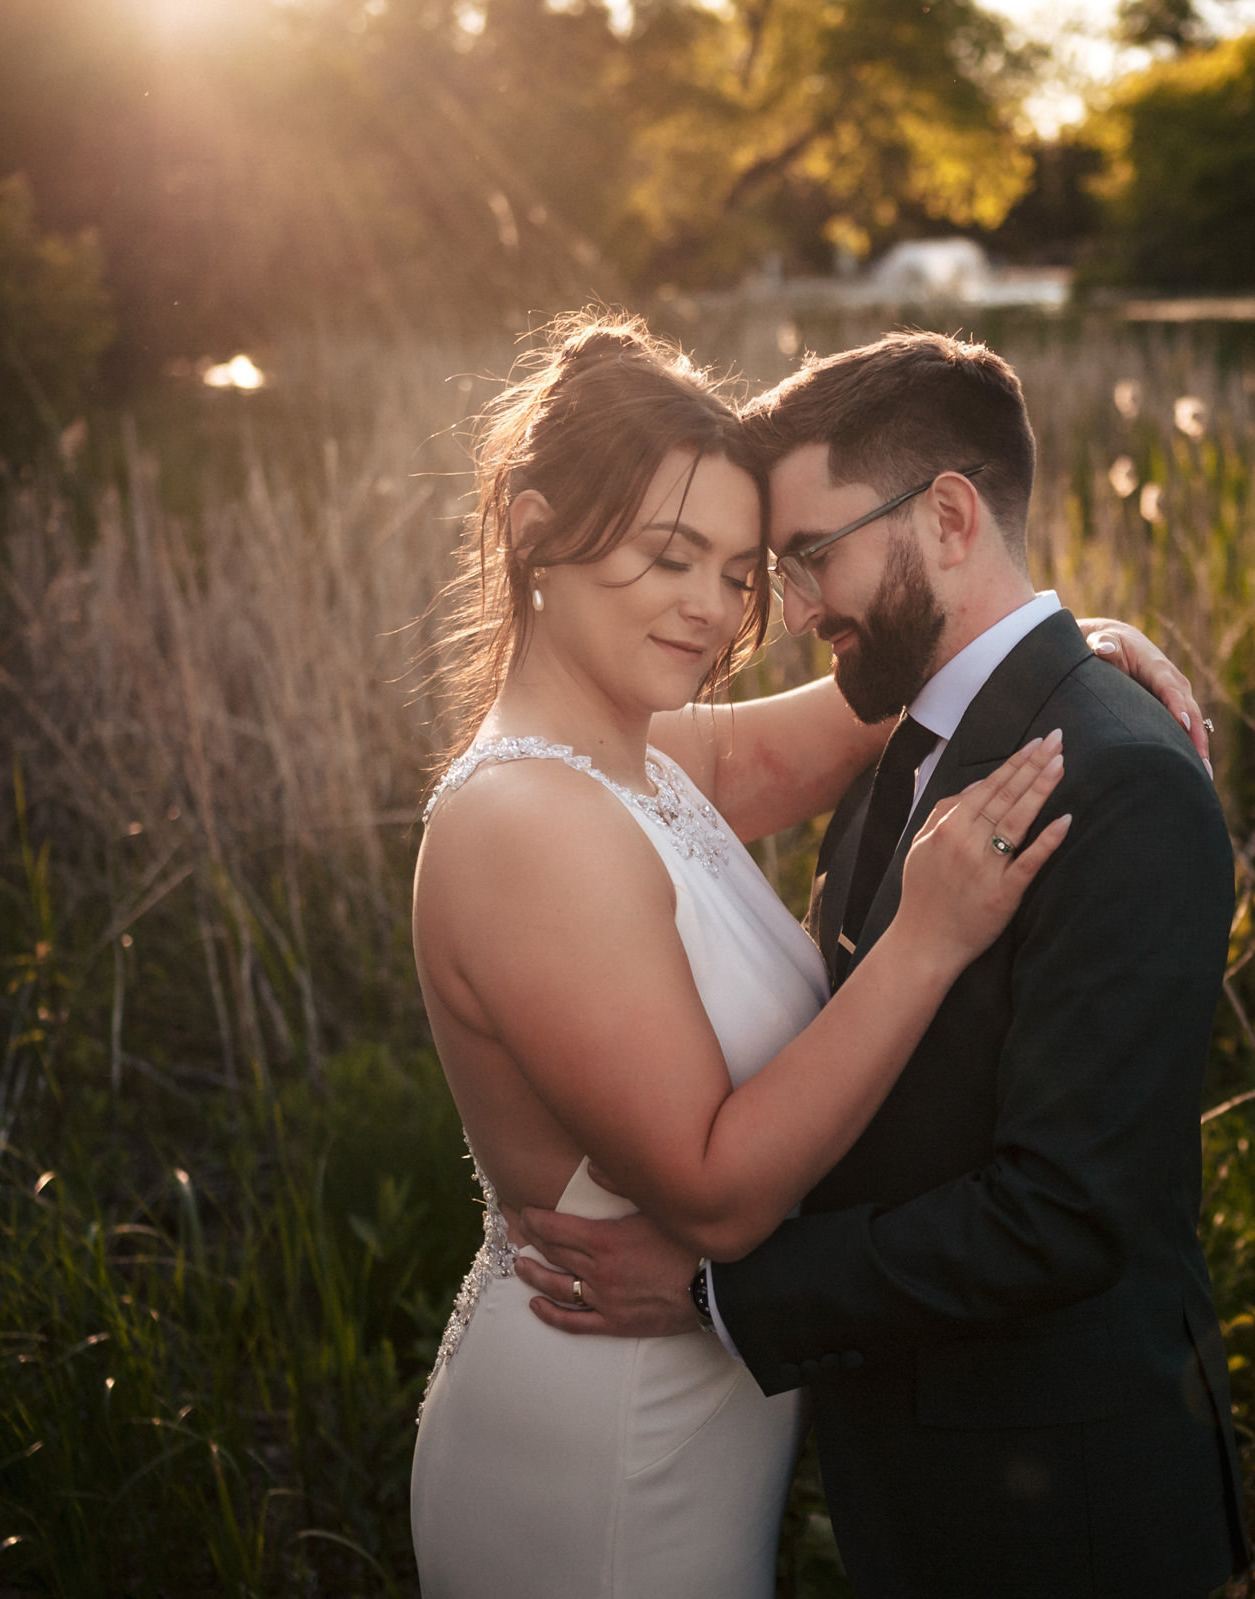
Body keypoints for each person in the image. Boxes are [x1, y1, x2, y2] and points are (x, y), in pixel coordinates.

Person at [407, 313, 1203, 1598]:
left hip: (706, 1416)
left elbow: (894, 683)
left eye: (738, 569)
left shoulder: (649, 758)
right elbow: (716, 1200)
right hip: (599, 1438)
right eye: (674, 556)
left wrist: (1063, 646)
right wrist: (926, 940)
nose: (718, 609)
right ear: (531, 531)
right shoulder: (527, 823)